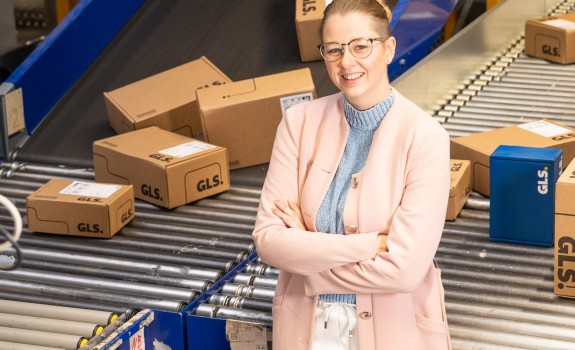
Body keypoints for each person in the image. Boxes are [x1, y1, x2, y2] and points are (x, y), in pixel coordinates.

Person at [252, 0, 451, 349]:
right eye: (334, 50)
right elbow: (269, 241)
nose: (346, 62)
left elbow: (405, 271)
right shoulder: (298, 124)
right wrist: (371, 244)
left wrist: (308, 255)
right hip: (307, 330)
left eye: (361, 46)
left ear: (389, 48)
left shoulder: (425, 137)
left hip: (395, 331)